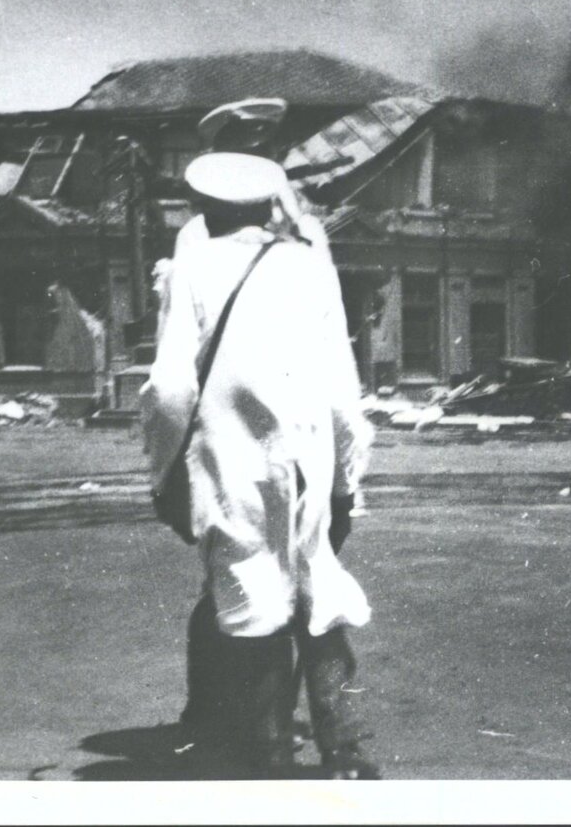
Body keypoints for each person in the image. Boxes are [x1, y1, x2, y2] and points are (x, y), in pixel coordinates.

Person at [140, 152, 379, 779]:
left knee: (252, 595)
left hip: (230, 461)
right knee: (316, 585)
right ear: (268, 205)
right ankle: (345, 752)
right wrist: (347, 480)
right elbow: (341, 388)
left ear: (203, 207)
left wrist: (164, 471)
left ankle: (268, 755)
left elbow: (169, 390)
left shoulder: (191, 266)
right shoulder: (308, 266)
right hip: (308, 459)